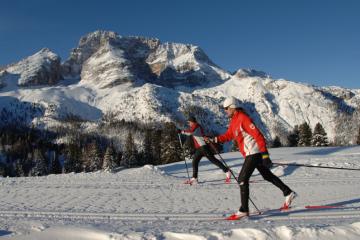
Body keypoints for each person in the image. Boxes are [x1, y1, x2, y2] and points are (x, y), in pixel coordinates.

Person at [205, 96, 296, 220]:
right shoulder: (234, 121)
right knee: (267, 175)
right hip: (251, 154)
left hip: (254, 153)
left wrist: (265, 155)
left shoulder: (243, 119)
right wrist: (214, 139)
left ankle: (244, 209)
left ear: (232, 107)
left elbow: (258, 136)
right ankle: (288, 192)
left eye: (226, 108)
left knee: (242, 179)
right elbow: (229, 135)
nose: (225, 111)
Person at [178, 116, 231, 185]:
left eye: (189, 122)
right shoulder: (194, 126)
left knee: (213, 160)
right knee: (195, 161)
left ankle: (227, 171)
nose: (189, 124)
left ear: (192, 122)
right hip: (199, 148)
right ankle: (194, 178)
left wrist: (182, 131)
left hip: (203, 147)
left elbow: (191, 132)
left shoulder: (196, 126)